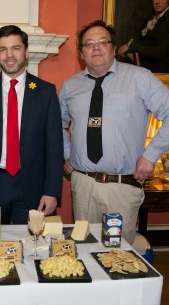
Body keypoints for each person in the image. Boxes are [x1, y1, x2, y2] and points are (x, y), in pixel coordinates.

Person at [59, 20, 169, 244]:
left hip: (121, 187)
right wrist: (66, 152)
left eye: (102, 42)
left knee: (117, 256)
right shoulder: (70, 86)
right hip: (83, 185)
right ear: (81, 53)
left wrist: (150, 156)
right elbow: (56, 125)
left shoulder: (140, 78)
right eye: (89, 44)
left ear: (112, 47)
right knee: (84, 249)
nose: (96, 47)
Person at [0, 25, 64, 224]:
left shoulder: (45, 92)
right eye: (3, 49)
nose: (9, 55)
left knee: (28, 246)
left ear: (26, 51)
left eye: (16, 48)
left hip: (32, 187)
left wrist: (51, 191)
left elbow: (54, 147)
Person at [117, 0, 169, 72]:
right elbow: (138, 37)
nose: (157, 2)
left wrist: (132, 48)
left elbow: (160, 53)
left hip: (158, 70)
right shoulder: (151, 18)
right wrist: (129, 48)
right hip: (143, 65)